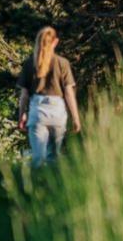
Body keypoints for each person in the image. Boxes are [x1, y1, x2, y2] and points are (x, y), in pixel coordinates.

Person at [16, 26, 81, 166]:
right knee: (53, 158)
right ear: (55, 42)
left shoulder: (29, 64)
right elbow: (69, 93)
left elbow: (24, 95)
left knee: (38, 157)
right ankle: (51, 186)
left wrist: (22, 114)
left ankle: (31, 184)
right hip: (57, 112)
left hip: (38, 111)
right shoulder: (62, 63)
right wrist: (75, 118)